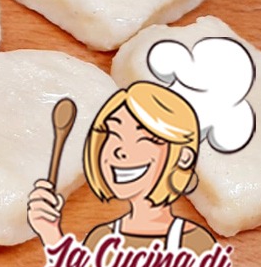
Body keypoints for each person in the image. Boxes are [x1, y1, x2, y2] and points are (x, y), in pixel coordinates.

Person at [27, 81, 216, 254]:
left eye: (144, 138)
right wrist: (49, 232)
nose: (120, 151)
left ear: (184, 157)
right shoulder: (101, 237)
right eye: (113, 133)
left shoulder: (195, 243)